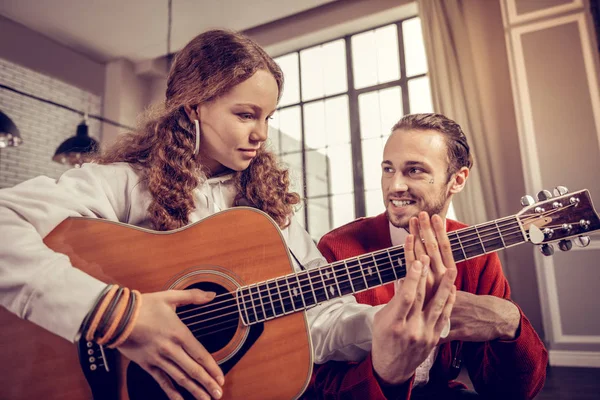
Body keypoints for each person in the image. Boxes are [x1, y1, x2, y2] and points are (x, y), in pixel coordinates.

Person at [0, 29, 392, 400]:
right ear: (194, 106)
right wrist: (116, 315)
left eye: (267, 117)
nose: (261, 134)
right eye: (245, 115)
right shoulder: (123, 184)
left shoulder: (269, 211)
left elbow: (318, 321)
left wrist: (386, 325)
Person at [305, 113, 548, 399]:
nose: (394, 186)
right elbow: (315, 381)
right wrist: (388, 373)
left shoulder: (477, 257)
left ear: (457, 180)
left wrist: (509, 321)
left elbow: (511, 392)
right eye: (388, 169)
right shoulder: (338, 246)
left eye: (414, 170)